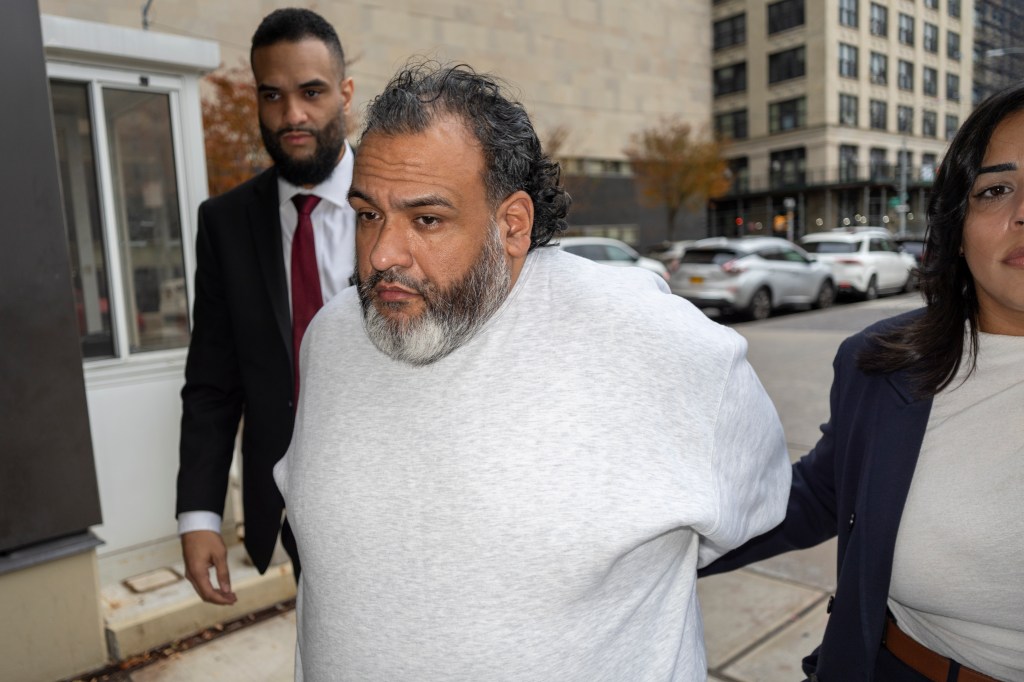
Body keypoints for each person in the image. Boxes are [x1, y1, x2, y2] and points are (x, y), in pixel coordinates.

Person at [272, 61, 791, 680]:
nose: (382, 254)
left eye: (427, 219)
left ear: (511, 225)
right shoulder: (331, 336)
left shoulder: (660, 345)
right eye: (368, 214)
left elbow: (753, 505)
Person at [701, 81, 1024, 681]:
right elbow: (821, 493)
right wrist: (652, 544)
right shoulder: (881, 362)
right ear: (957, 226)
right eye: (996, 189)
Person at [176, 7, 355, 605]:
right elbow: (212, 380)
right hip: (293, 505)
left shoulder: (397, 202)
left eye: (311, 92)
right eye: (272, 95)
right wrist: (199, 514)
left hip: (409, 492)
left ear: (345, 93)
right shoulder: (224, 223)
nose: (292, 116)